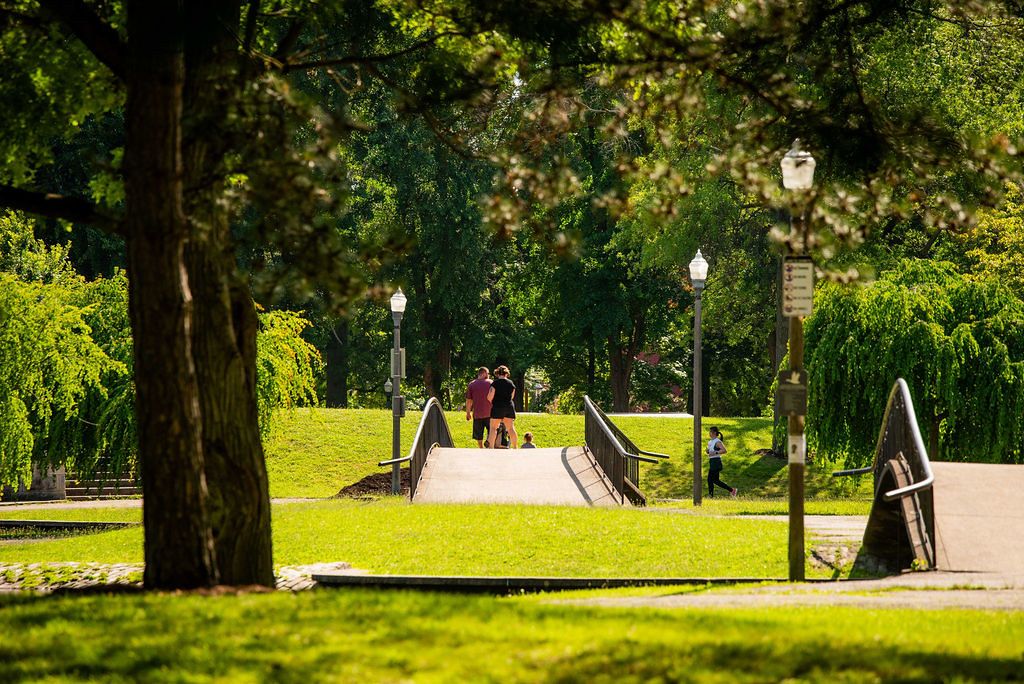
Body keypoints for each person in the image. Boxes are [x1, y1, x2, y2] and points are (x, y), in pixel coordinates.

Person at [486, 365, 518, 449]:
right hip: (508, 407)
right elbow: (512, 397)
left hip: (497, 407)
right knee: (510, 428)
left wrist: (494, 401)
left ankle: (491, 447)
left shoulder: (495, 383)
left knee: (493, 428)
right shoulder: (511, 383)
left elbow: (489, 397)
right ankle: (515, 447)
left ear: (497, 373)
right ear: (506, 373)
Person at [464, 367, 492, 448]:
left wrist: (468, 413)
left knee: (478, 433)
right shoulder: (491, 383)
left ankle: (481, 447)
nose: (489, 375)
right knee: (492, 431)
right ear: (484, 373)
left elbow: (469, 400)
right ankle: (489, 443)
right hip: (490, 413)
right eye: (488, 373)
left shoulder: (472, 384)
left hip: (477, 413)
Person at [706, 426, 737, 498]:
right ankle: (732, 490)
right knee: (715, 480)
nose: (709, 433)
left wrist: (715, 453)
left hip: (716, 462)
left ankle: (710, 495)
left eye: (710, 432)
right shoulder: (710, 442)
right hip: (712, 461)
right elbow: (710, 452)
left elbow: (724, 450)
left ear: (714, 433)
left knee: (710, 479)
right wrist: (708, 451)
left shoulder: (717, 441)